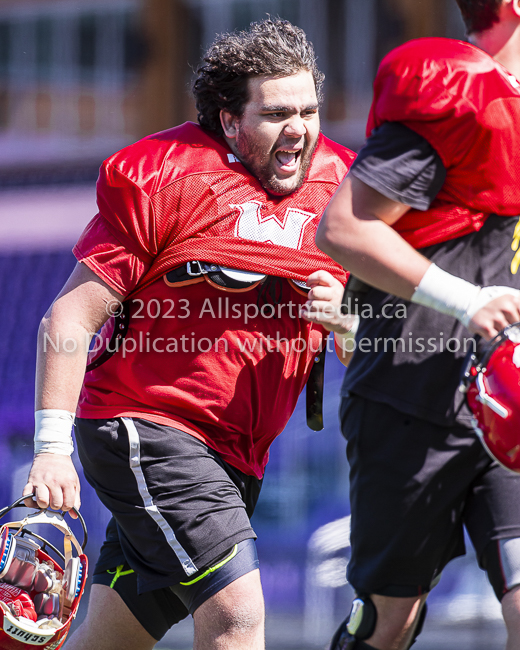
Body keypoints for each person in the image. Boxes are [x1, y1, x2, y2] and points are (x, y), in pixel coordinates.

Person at [21, 18, 355, 650]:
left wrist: (348, 319)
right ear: (229, 119)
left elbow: (360, 345)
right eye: (278, 113)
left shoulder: (340, 186)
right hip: (146, 428)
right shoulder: (168, 176)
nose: (300, 131)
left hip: (234, 456)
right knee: (238, 615)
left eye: (310, 110)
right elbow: (70, 316)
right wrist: (51, 448)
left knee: (114, 639)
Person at [312, 1, 520, 649]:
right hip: (411, 396)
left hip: (508, 399)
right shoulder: (456, 86)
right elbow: (344, 227)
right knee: (387, 622)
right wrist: (467, 300)